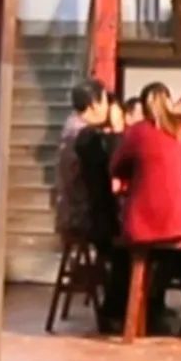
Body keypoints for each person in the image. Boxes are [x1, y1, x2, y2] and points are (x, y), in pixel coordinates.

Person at [110, 81, 181, 336]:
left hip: (146, 220)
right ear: (170, 101)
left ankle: (151, 313)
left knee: (152, 259)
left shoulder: (137, 132)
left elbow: (117, 166)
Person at [74, 98, 128, 331]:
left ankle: (137, 310)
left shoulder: (98, 139)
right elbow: (115, 169)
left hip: (107, 215)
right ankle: (115, 313)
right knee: (126, 254)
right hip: (101, 219)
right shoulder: (87, 138)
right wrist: (117, 132)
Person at [55, 78, 108, 239]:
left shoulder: (70, 129)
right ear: (93, 104)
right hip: (83, 215)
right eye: (105, 102)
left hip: (69, 212)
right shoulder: (85, 135)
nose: (107, 108)